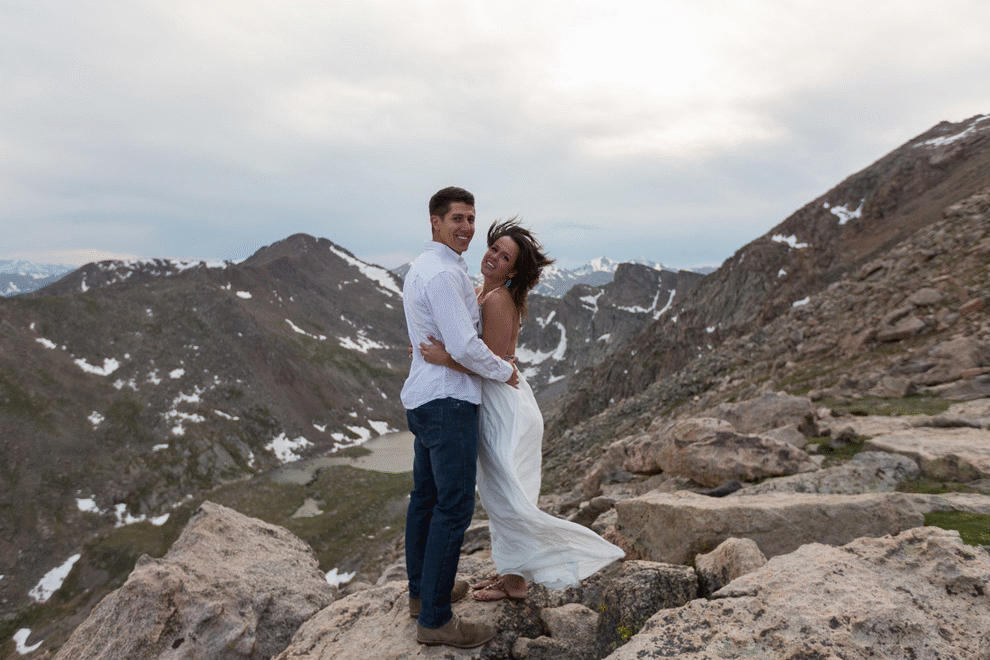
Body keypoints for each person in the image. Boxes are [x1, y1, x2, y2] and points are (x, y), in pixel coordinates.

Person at [420, 217, 625, 603]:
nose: (494, 256)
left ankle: (532, 573)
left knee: (505, 495)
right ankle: (512, 575)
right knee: (504, 494)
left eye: (505, 256)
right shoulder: (488, 291)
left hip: (504, 406)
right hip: (504, 401)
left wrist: (443, 358)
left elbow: (493, 363)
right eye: (494, 248)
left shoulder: (498, 300)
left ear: (514, 269)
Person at [401, 186, 519, 649]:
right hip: (448, 403)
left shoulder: (428, 267)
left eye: (471, 219)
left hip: (425, 400)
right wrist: (503, 371)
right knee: (453, 509)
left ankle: (421, 593)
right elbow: (467, 347)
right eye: (457, 219)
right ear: (435, 221)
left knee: (425, 500)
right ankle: (435, 619)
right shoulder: (445, 275)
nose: (467, 228)